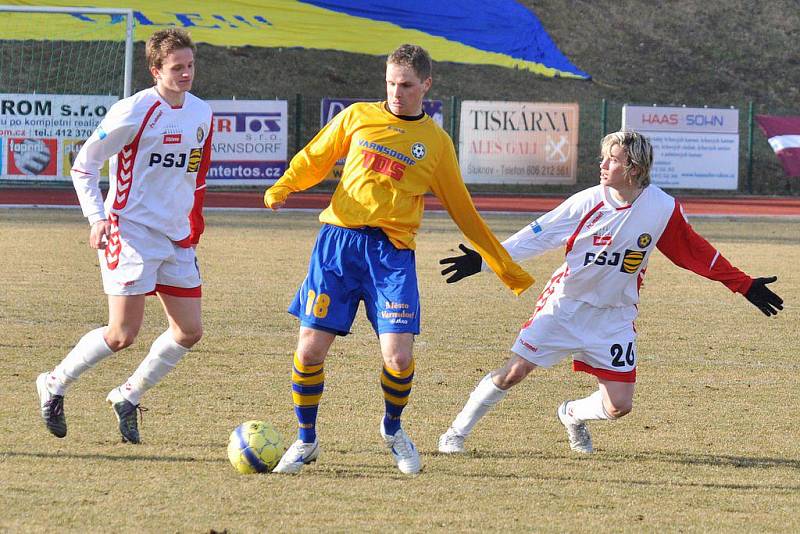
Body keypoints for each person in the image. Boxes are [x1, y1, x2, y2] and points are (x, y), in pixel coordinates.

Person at [263, 44, 533, 475]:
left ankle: (392, 430)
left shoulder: (436, 145)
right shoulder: (357, 117)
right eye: (390, 83)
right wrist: (284, 186)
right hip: (337, 245)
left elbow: (464, 210)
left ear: (426, 85)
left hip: (391, 257)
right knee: (310, 351)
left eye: (405, 85)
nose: (395, 92)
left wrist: (506, 268)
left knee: (399, 359)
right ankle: (306, 439)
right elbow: (316, 157)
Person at [437, 130, 783, 455]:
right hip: (566, 305)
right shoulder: (585, 202)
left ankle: (571, 413)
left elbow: (695, 252)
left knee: (619, 406)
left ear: (633, 168)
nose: (602, 165)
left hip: (615, 316)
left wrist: (744, 284)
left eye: (612, 159)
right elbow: (534, 237)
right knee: (515, 371)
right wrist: (484, 261)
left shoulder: (661, 208)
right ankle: (455, 433)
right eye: (604, 158)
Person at [36, 28, 213, 444]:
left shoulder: (202, 112)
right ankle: (54, 382)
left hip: (176, 237)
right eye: (176, 68)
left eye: (189, 66)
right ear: (156, 70)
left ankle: (128, 396)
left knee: (188, 331)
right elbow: (84, 165)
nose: (186, 74)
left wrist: (195, 222)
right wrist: (96, 218)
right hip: (130, 231)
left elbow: (197, 172)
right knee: (121, 335)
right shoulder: (133, 111)